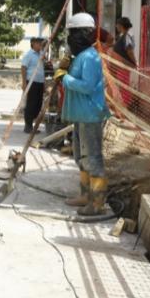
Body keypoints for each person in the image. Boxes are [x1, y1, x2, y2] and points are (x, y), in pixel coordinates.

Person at [54, 12, 111, 216]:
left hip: (90, 114)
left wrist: (65, 78)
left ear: (81, 34)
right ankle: (85, 195)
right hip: (81, 114)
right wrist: (65, 68)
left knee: (93, 157)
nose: (70, 39)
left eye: (72, 34)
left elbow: (87, 86)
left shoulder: (91, 57)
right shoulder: (80, 56)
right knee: (81, 156)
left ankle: (97, 202)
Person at [20, 37, 46, 134]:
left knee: (38, 104)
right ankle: (28, 126)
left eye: (41, 43)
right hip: (31, 82)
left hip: (40, 82)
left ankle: (32, 123)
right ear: (33, 44)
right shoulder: (29, 55)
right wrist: (24, 82)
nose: (40, 45)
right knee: (31, 104)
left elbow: (41, 69)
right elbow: (23, 68)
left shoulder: (41, 54)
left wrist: (44, 83)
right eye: (38, 43)